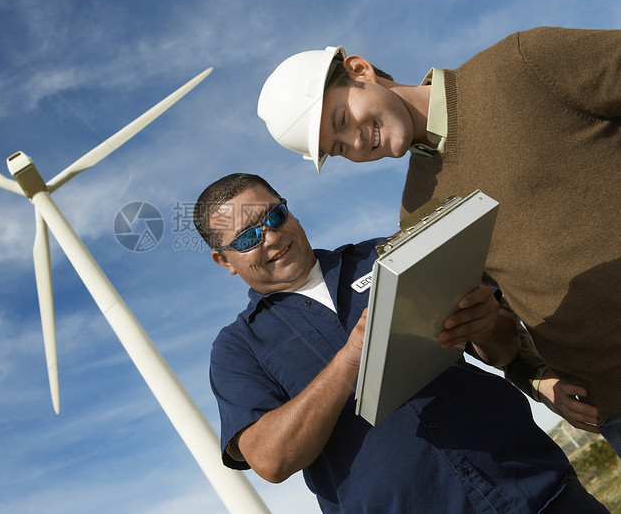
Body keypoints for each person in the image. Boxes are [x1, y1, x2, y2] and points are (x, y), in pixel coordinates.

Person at [256, 27, 621, 454]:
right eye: (338, 148)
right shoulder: (417, 214)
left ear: (360, 70)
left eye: (341, 120)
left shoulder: (521, 64)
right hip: (611, 400)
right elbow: (486, 318)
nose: (355, 142)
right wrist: (537, 378)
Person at [194, 173, 608, 513]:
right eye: (247, 238)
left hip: (534, 488)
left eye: (276, 216)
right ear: (224, 261)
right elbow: (271, 460)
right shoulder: (236, 348)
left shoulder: (387, 255)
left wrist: (486, 324)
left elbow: (501, 348)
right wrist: (351, 358)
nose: (270, 236)